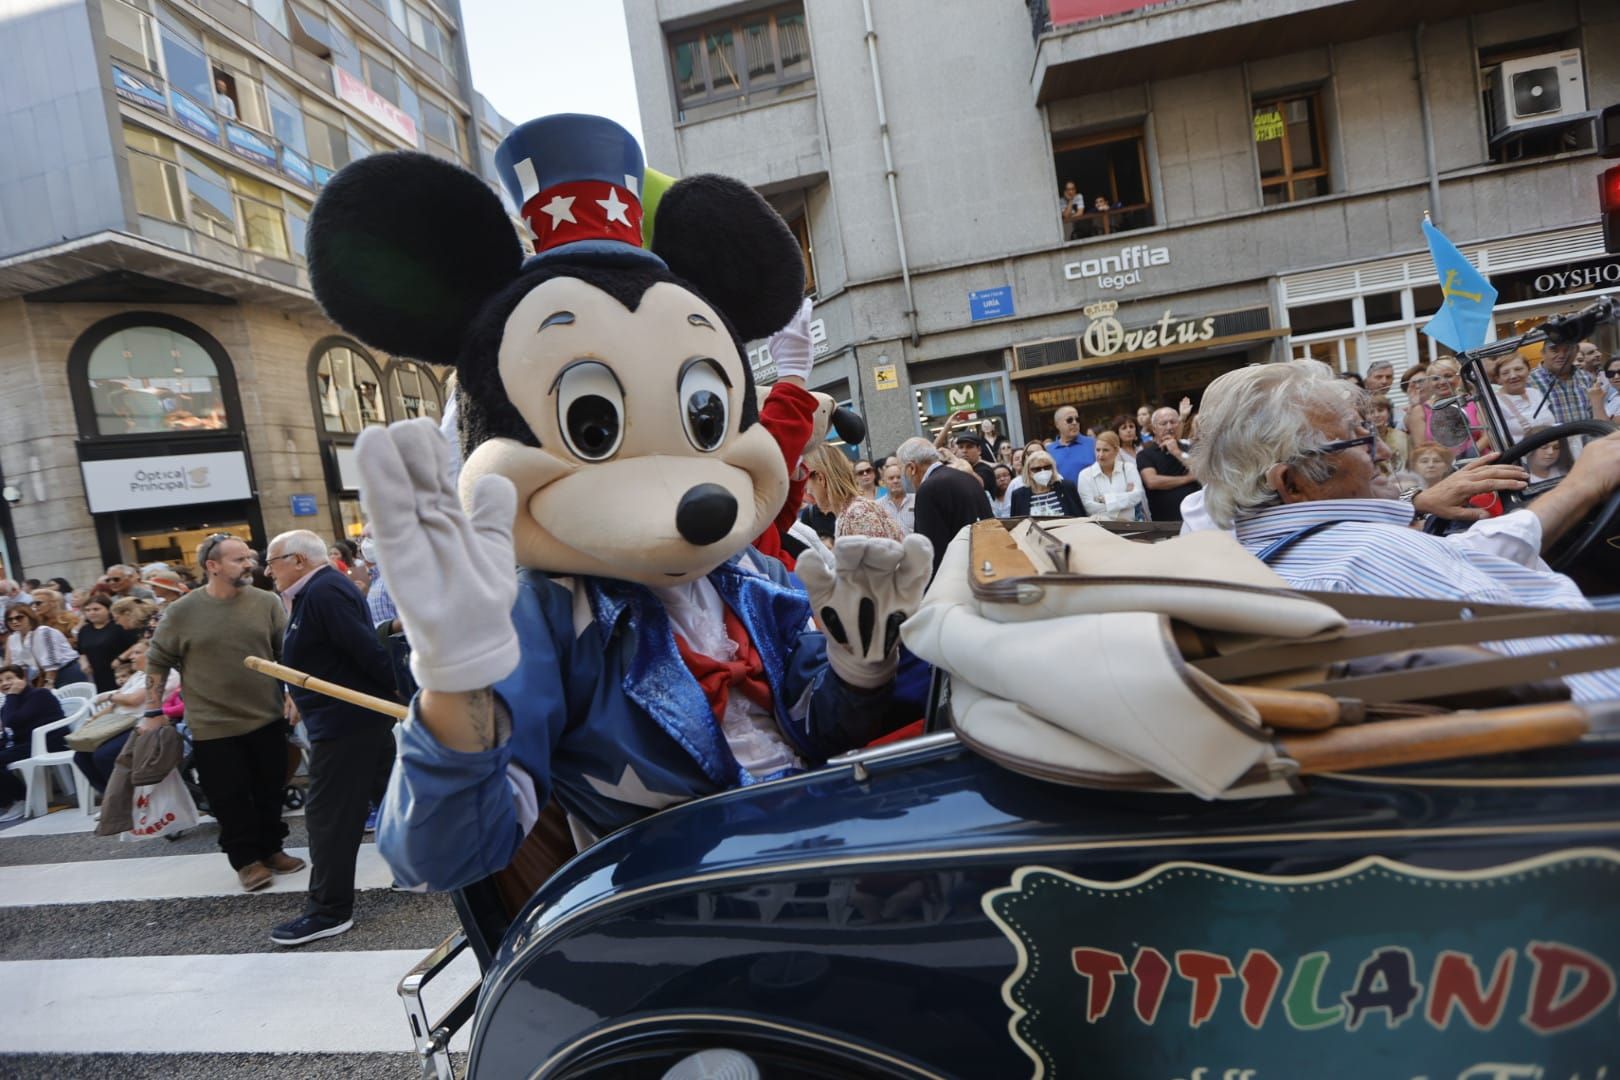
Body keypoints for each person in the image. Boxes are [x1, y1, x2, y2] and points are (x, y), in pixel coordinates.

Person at [1189, 359, 1620, 703]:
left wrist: (1579, 489)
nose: (1381, 451)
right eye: (1357, 439)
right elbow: (1586, 685)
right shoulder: (1376, 556)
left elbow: (1459, 566)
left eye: (1370, 431)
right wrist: (1582, 486)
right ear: (1293, 483)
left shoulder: (1241, 563)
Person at [140, 534, 299, 893]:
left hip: (266, 716)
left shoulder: (266, 602)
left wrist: (294, 694)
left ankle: (272, 848)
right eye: (238, 559)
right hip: (213, 724)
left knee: (270, 789)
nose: (249, 565)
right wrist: (152, 710)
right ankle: (247, 861)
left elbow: (285, 653)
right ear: (212, 566)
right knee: (230, 796)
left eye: (250, 558)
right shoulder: (181, 612)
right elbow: (158, 660)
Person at [263, 530, 399, 945]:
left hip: (347, 725)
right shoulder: (314, 592)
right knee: (394, 801)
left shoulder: (324, 592)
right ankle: (427, 869)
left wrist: (397, 693)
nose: (268, 570)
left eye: (274, 561)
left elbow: (365, 651)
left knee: (329, 821)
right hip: (348, 721)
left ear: (299, 560)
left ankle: (329, 910)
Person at [71, 640, 176, 795]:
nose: (131, 657)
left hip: (144, 725)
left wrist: (109, 696)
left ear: (153, 654)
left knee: (103, 755)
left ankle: (125, 798)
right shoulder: (137, 676)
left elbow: (133, 700)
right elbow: (116, 704)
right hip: (119, 723)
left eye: (137, 653)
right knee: (81, 755)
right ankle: (110, 798)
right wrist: (94, 719)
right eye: (132, 653)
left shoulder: (167, 674)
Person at [899, 436, 991, 575]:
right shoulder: (967, 478)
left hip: (953, 578)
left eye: (902, 471)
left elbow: (930, 549)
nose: (904, 477)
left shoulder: (928, 490)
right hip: (985, 566)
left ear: (912, 467)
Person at [0, 664, 66, 820]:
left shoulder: (40, 694)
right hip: (24, 743)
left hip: (47, 742)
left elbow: (12, 722)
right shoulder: (10, 702)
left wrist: (12, 695)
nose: (4, 683)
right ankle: (9, 802)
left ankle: (21, 799)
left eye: (9, 678)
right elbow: (9, 730)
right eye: (0, 681)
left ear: (23, 678)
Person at [803, 443, 905, 543]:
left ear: (821, 478)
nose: (807, 490)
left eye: (806, 481)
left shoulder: (857, 514)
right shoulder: (850, 512)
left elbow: (879, 557)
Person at [1404, 357, 1483, 460]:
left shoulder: (1473, 401)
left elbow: (1488, 435)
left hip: (1480, 459)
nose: (1442, 382)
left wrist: (1469, 454)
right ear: (1429, 382)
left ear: (1458, 377)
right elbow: (1421, 449)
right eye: (1435, 378)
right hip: (1443, 467)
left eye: (1448, 376)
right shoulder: (1420, 411)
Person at [1136, 406, 1200, 522]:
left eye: (1173, 422)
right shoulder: (1145, 454)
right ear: (1154, 428)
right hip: (1166, 524)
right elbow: (1152, 481)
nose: (1169, 427)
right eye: (1163, 423)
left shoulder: (1189, 448)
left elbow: (1202, 472)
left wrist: (1177, 453)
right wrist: (1188, 478)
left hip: (1197, 518)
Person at [4, 605, 86, 687]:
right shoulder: (13, 638)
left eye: (19, 617)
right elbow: (21, 667)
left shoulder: (44, 632)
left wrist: (49, 684)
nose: (14, 621)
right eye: (10, 619)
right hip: (47, 674)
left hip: (68, 671)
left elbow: (52, 662)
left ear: (30, 617)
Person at [1529, 340, 1602, 428]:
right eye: (1554, 350)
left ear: (1576, 352)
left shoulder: (1586, 378)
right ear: (1543, 353)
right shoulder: (1529, 382)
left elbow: (1597, 416)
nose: (1562, 355)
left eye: (1567, 350)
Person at [74, 593, 139, 693]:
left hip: (122, 672)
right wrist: (84, 662)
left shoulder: (119, 626)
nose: (91, 613)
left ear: (108, 609)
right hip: (98, 675)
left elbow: (137, 644)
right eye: (87, 610)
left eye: (96, 609)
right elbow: (81, 650)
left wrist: (121, 658)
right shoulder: (84, 630)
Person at [1076, 432, 1144, 522]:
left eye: (1105, 450)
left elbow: (1137, 495)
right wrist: (1124, 506)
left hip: (1130, 528)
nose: (1100, 455)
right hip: (1100, 529)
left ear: (1117, 451)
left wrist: (1106, 499)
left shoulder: (1128, 468)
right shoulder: (1085, 475)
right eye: (1097, 450)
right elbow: (1089, 507)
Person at [1011, 449, 1084, 518]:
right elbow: (1016, 525)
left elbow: (1080, 516)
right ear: (1029, 472)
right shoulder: (1018, 496)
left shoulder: (1067, 488)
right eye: (1037, 469)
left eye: (1047, 467)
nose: (1043, 471)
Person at [1492, 353, 1538, 446]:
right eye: (1505, 373)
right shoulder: (1495, 403)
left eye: (1518, 369)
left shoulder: (1535, 393)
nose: (1513, 376)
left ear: (1529, 370)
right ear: (1498, 379)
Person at [1045, 406, 1096, 487]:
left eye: (1077, 419)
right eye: (1069, 420)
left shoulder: (1093, 443)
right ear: (1057, 424)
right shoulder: (1048, 451)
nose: (1075, 423)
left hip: (1091, 497)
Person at [1368, 394, 1407, 472]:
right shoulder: (1362, 440)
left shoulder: (1401, 436)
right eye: (1371, 412)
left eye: (1380, 410)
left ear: (1389, 413)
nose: (1376, 415)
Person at [876, 461, 914, 533]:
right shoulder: (878, 506)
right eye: (891, 478)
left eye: (899, 477)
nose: (895, 481)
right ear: (883, 482)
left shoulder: (916, 500)